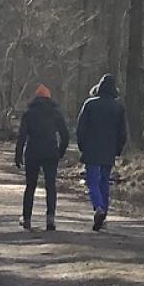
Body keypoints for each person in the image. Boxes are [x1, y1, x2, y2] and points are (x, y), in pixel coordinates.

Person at [74, 73, 127, 231]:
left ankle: (98, 207)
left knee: (92, 181)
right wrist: (118, 149)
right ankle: (103, 214)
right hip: (109, 150)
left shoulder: (90, 104)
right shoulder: (118, 108)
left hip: (91, 149)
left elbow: (80, 129)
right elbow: (122, 133)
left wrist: (82, 146)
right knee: (104, 182)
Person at [14, 84, 69, 231]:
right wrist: (60, 152)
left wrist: (18, 155)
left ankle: (27, 219)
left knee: (30, 186)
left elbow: (22, 136)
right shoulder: (55, 113)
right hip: (51, 152)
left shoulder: (29, 113)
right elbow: (65, 136)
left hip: (33, 152)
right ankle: (50, 219)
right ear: (49, 97)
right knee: (50, 186)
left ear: (36, 97)